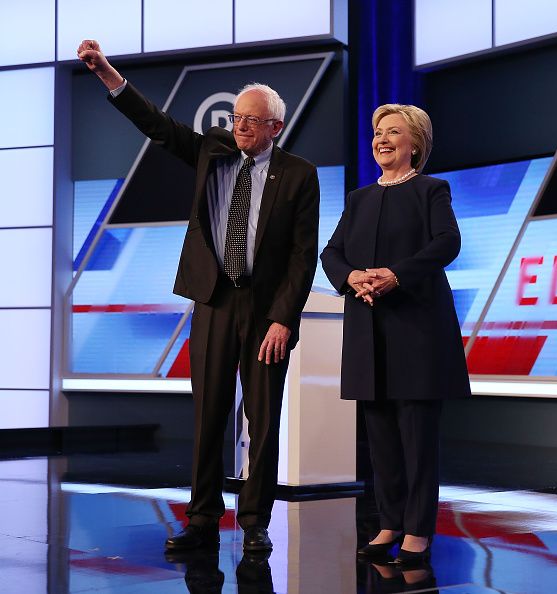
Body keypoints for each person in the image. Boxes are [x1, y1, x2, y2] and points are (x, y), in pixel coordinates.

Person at [77, 40, 320, 552]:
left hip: (264, 310)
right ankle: (203, 520)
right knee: (208, 414)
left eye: (252, 120)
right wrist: (107, 75)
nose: (241, 127)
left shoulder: (299, 175)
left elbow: (303, 256)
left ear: (276, 126)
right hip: (213, 301)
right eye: (237, 117)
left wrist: (283, 319)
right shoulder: (213, 151)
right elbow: (158, 126)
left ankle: (254, 523)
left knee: (263, 419)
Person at [321, 104, 470, 564]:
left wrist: (395, 275)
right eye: (377, 133)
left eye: (393, 132)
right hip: (369, 328)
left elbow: (447, 242)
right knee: (380, 434)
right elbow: (332, 253)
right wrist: (353, 278)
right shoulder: (358, 199)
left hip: (417, 330)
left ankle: (418, 531)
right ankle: (389, 522)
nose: (381, 139)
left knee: (416, 437)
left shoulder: (431, 190)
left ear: (415, 144)